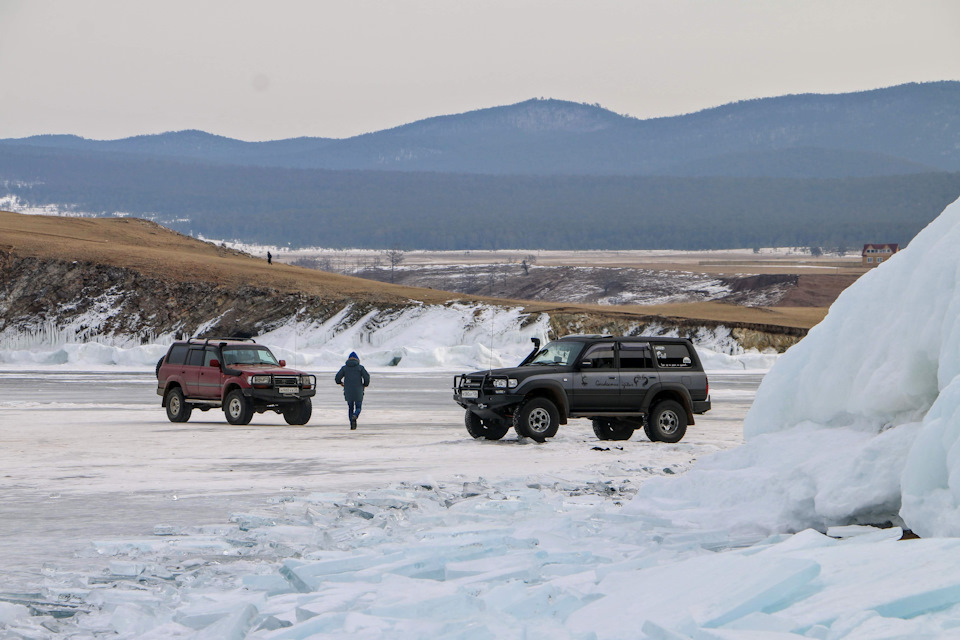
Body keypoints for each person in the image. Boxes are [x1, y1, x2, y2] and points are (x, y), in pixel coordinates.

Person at [335, 351, 370, 430]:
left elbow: (337, 378)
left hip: (348, 390)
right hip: (358, 390)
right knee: (358, 407)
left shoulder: (344, 368)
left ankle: (352, 424)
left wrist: (340, 383)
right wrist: (365, 385)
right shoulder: (360, 368)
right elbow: (367, 377)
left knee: (350, 407)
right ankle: (355, 415)